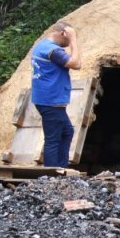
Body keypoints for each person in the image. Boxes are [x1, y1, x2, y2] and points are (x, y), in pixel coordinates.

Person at [30, 21, 82, 167]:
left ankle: (60, 168)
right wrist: (73, 41)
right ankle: (51, 173)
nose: (68, 43)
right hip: (51, 100)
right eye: (68, 39)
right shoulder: (53, 50)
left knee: (67, 132)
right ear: (63, 34)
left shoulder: (42, 46)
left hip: (46, 99)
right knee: (53, 139)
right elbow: (76, 64)